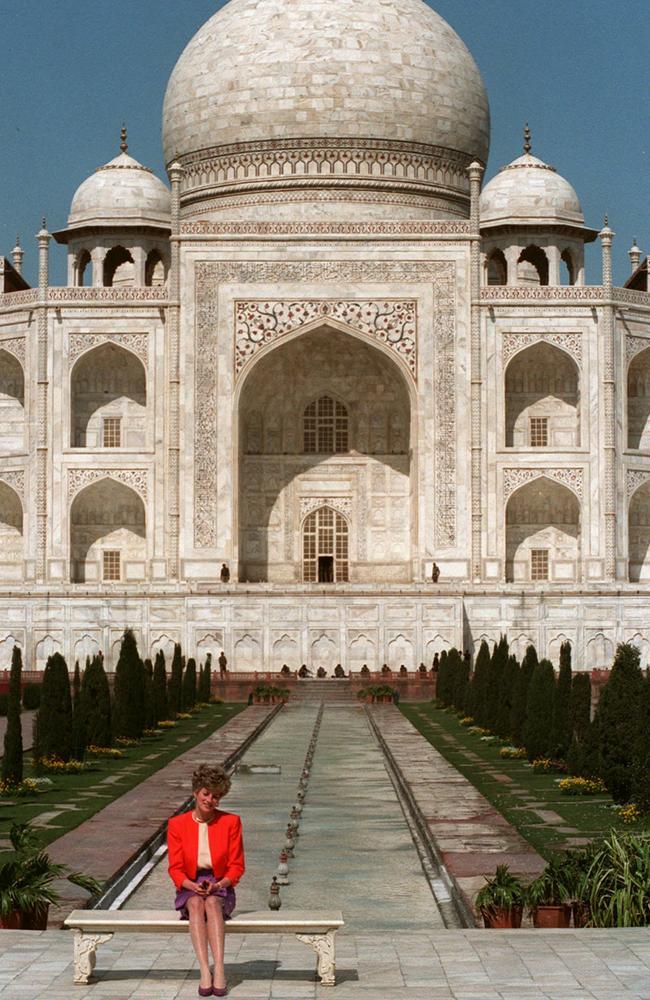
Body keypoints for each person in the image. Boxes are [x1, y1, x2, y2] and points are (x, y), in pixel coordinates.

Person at [168, 763, 245, 997]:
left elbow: (237, 866)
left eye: (217, 796)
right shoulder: (177, 824)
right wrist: (191, 885)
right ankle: (204, 970)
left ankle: (219, 968)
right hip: (190, 884)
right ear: (196, 792)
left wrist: (219, 885)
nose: (211, 800)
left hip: (221, 885)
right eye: (207, 793)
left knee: (211, 902)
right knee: (195, 903)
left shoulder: (231, 822)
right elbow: (176, 868)